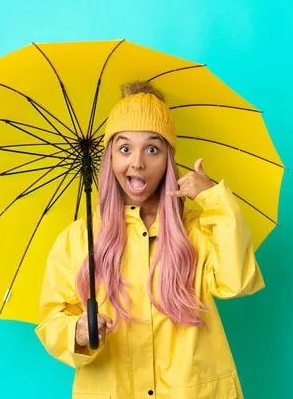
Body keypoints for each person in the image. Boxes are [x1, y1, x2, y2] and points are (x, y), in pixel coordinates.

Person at [35, 81, 264, 399]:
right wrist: (75, 332)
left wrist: (213, 197)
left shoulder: (196, 231)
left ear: (168, 160)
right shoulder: (79, 240)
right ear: (110, 157)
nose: (138, 162)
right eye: (125, 148)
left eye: (152, 149)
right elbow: (52, 317)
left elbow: (236, 281)